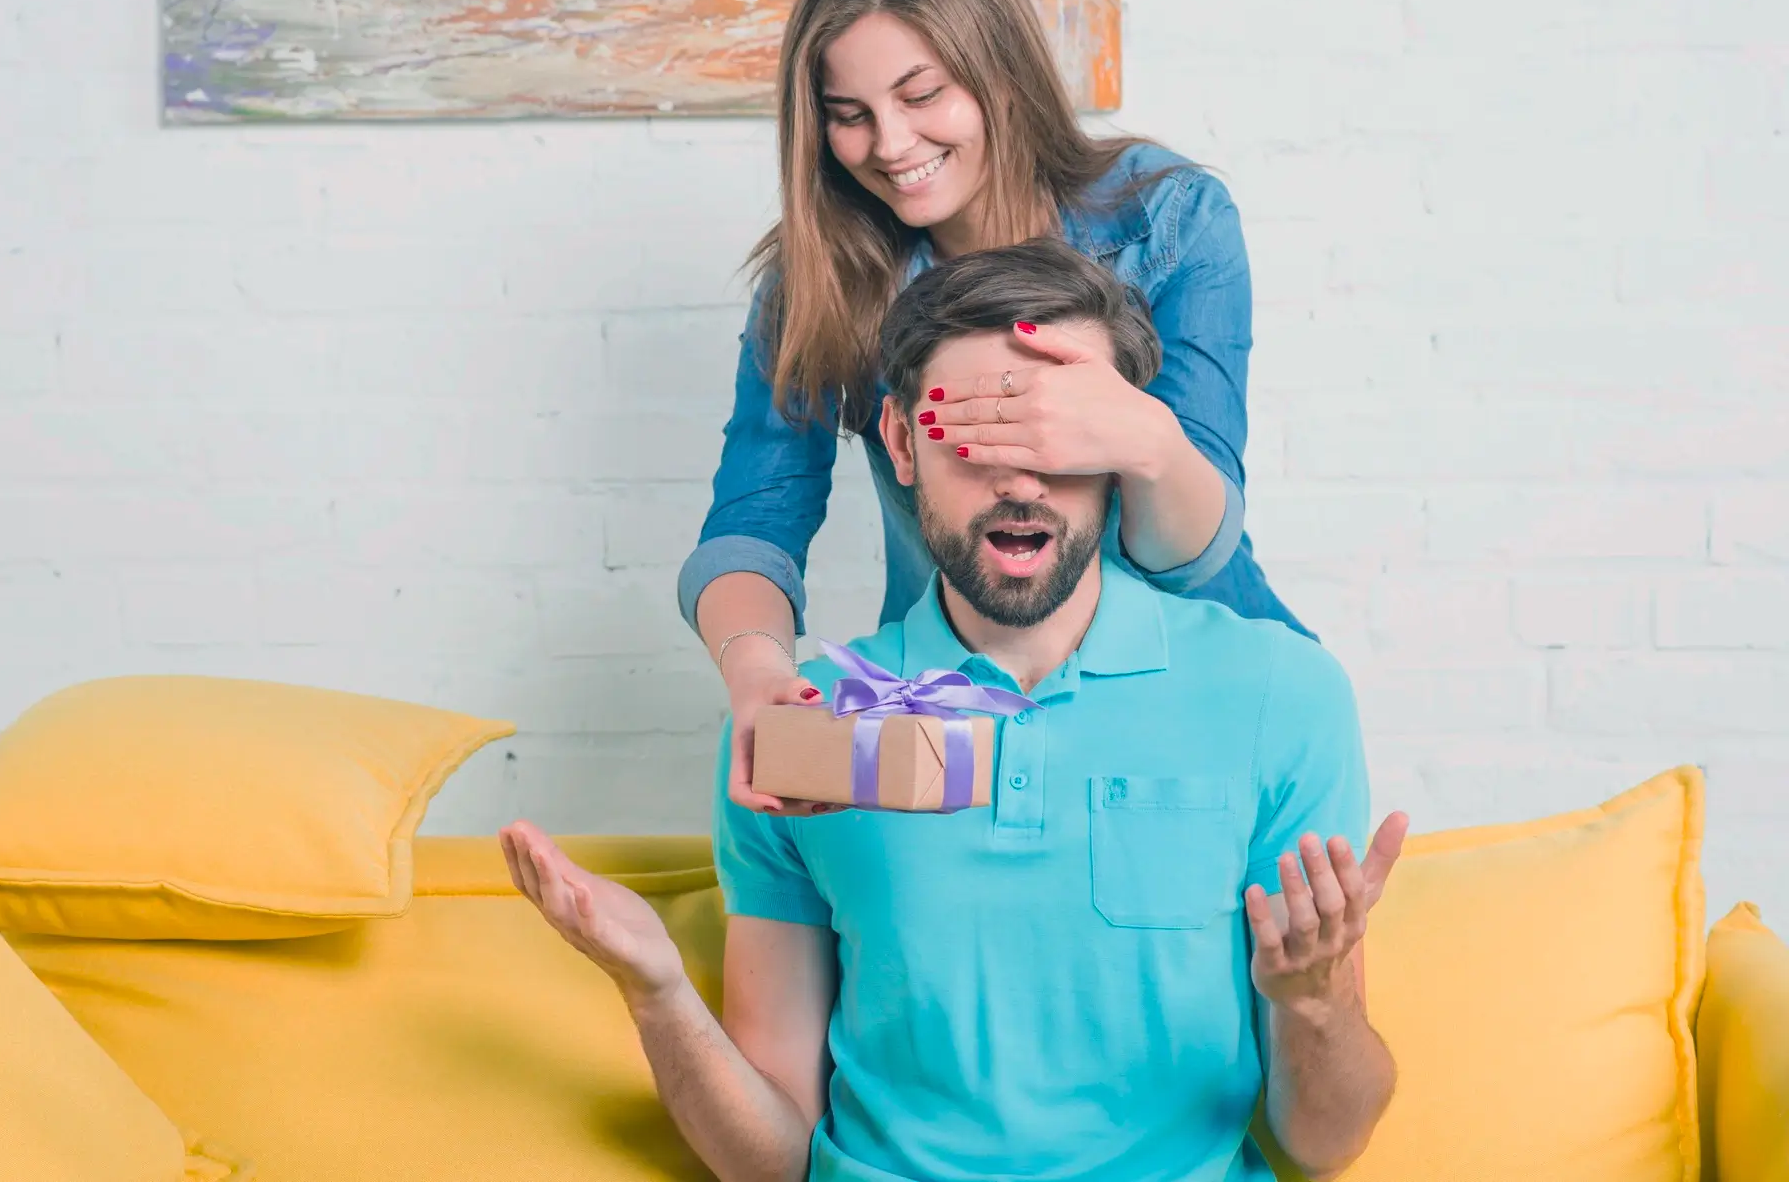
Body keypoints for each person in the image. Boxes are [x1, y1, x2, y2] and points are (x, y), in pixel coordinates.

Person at [507, 240, 1406, 1182]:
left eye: (1058, 440)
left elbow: (1327, 1142)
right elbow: (772, 1162)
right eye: (977, 437)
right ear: (901, 441)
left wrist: (1314, 1003)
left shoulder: (1278, 696)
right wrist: (656, 991)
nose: (1020, 482)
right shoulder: (801, 724)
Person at [679, 0, 1308, 818]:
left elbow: (1194, 547)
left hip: (1201, 690)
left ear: (998, 68)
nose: (890, 145)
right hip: (965, 718)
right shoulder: (822, 278)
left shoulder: (1170, 223)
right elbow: (753, 524)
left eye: (922, 93)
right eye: (849, 116)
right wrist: (757, 668)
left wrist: (1136, 437)